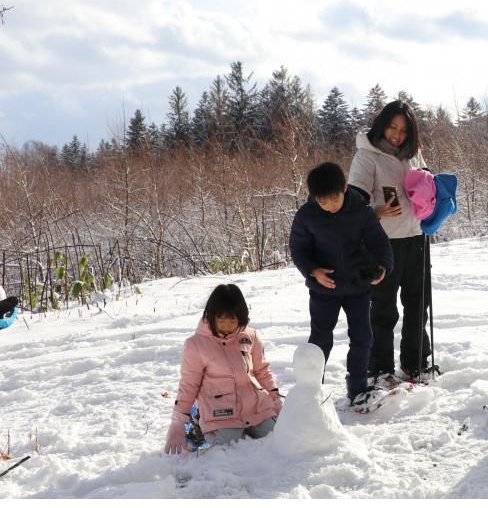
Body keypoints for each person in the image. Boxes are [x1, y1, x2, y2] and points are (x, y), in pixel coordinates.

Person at [289, 162, 394, 408]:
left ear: (345, 188)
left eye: (334, 200)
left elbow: (379, 241)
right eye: (322, 202)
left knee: (362, 337)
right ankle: (311, 391)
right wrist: (313, 271)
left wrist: (383, 266)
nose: (329, 206)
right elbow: (299, 248)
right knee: (320, 339)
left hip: (358, 286)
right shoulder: (306, 215)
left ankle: (358, 388)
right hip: (324, 289)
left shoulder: (361, 210)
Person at [348, 100, 434, 387]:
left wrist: (433, 199)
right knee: (383, 309)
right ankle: (379, 368)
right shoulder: (366, 156)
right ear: (382, 125)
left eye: (404, 130)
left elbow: (426, 188)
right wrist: (378, 210)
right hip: (382, 244)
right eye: (392, 127)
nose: (397, 135)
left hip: (417, 237)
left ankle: (416, 362)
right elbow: (353, 205)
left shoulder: (414, 153)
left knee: (418, 305)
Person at [164, 284, 282, 453]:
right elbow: (189, 385)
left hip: (256, 407)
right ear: (211, 316)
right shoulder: (196, 345)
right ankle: (197, 422)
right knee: (226, 450)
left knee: (276, 437)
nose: (227, 326)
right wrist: (178, 421)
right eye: (221, 320)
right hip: (220, 411)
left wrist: (275, 398)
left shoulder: (250, 336)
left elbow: (262, 371)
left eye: (232, 320)